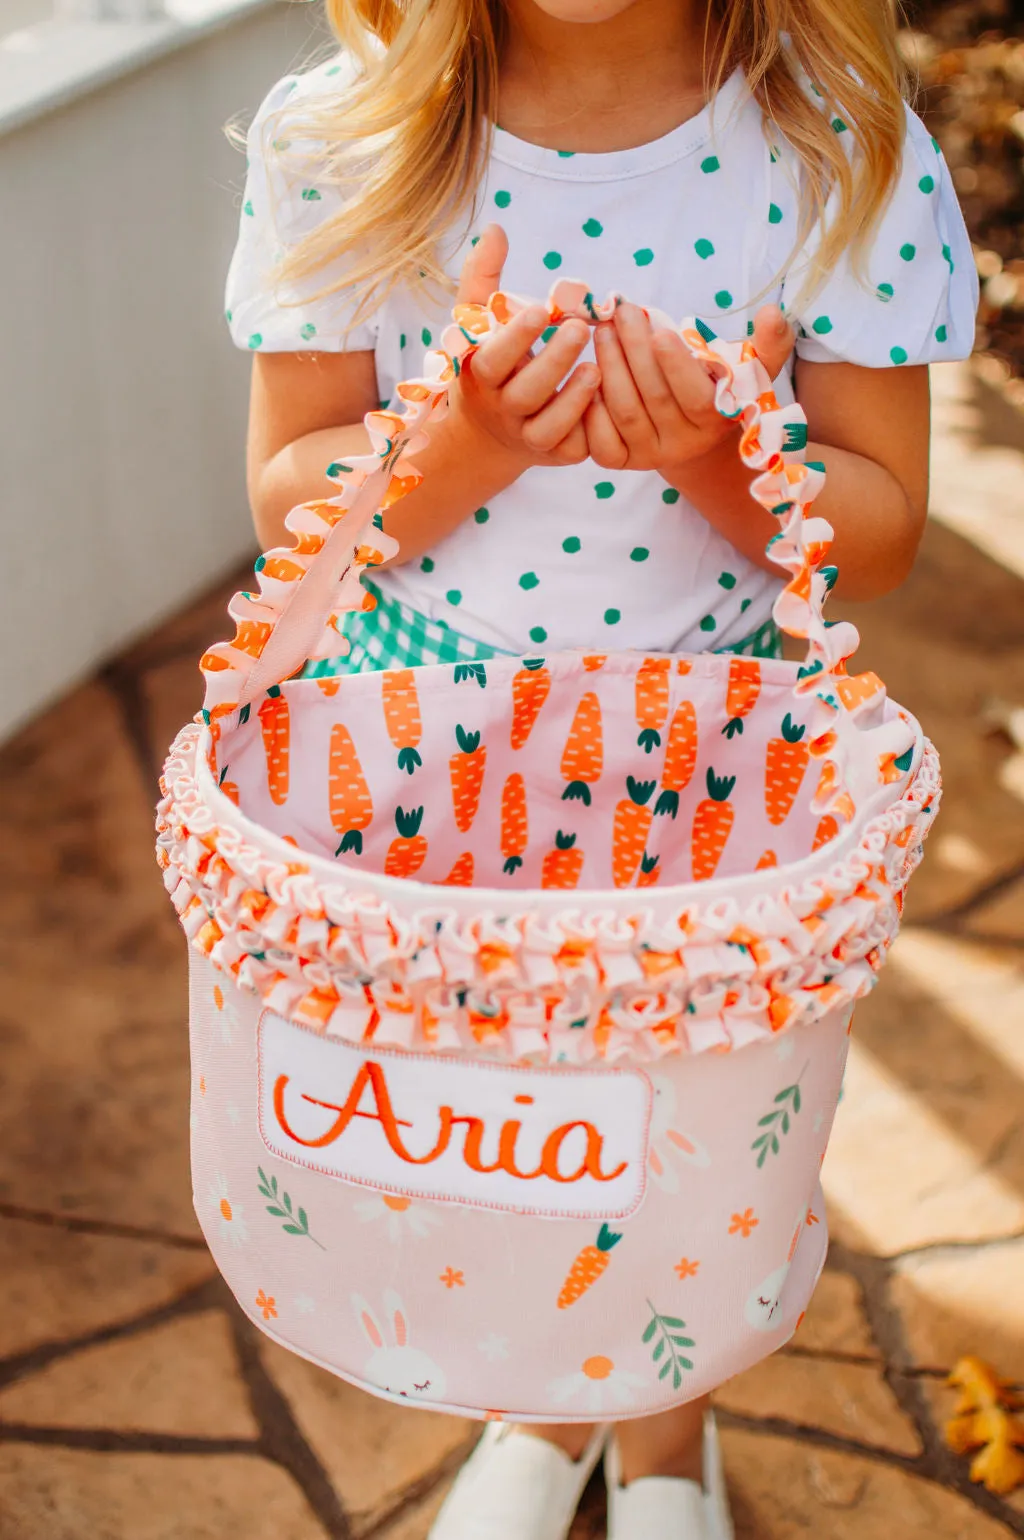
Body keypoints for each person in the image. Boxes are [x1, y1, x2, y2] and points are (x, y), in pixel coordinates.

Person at [223, 0, 977, 1533]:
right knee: (502, 1107)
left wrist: (717, 452)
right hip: (432, 754)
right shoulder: (343, 139)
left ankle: (657, 1442)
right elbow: (292, 490)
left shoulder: (837, 149)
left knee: (675, 1124)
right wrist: (469, 445)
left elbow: (883, 527)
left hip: (716, 763)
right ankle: (542, 1405)